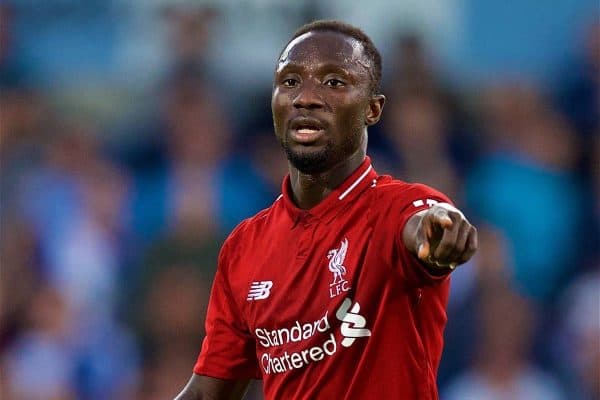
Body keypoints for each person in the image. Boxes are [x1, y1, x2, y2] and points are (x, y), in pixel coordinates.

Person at [174, 20, 477, 400]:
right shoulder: (244, 247)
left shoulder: (396, 208)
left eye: (334, 82)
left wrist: (440, 235)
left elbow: (426, 226)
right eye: (290, 82)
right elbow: (208, 394)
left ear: (372, 109)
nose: (306, 97)